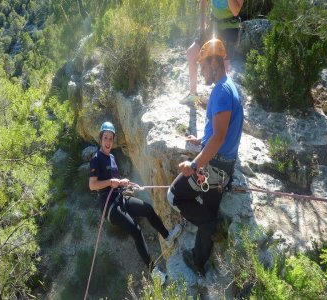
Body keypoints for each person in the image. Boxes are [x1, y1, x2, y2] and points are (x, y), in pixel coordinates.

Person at [168, 39, 244, 275]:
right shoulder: (229, 86)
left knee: (174, 195)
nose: (200, 72)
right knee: (208, 210)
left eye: (202, 66)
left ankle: (212, 227)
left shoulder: (221, 92)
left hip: (213, 169)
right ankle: (199, 261)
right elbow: (221, 131)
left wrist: (194, 164)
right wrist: (201, 141)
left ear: (214, 62)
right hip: (224, 168)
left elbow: (220, 137)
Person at [89, 121, 182, 283]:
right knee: (136, 230)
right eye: (105, 138)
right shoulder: (96, 159)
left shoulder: (111, 157)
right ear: (101, 138)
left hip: (120, 198)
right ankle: (154, 273)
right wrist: (111, 182)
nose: (108, 141)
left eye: (111, 138)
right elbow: (92, 185)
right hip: (109, 207)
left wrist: (123, 182)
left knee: (147, 209)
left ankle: (167, 236)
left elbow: (114, 181)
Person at [183, 0, 244, 104]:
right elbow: (203, 2)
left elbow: (235, 11)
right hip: (213, 26)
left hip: (229, 29)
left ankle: (223, 101)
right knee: (192, 53)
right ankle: (193, 94)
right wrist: (202, 28)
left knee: (223, 66)